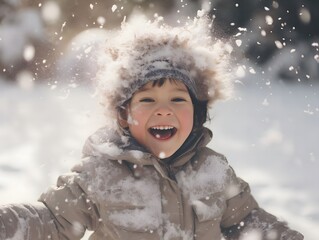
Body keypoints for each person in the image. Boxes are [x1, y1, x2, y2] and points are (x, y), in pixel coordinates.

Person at [0, 15, 303, 240]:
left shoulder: (214, 172)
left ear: (198, 114)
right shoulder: (102, 175)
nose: (163, 109)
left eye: (177, 99)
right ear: (123, 115)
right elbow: (51, 219)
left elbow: (248, 221)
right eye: (147, 99)